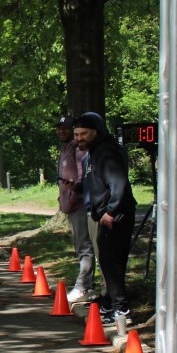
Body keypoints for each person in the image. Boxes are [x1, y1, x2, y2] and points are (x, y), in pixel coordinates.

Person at [74, 114, 136, 324]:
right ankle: (109, 303)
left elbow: (119, 183)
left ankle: (121, 309)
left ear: (95, 132)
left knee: (112, 262)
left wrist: (111, 211)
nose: (79, 138)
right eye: (76, 135)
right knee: (107, 261)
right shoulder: (94, 152)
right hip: (104, 214)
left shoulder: (106, 151)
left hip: (116, 215)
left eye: (83, 134)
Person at [56, 114, 96, 303]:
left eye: (65, 128)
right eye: (59, 128)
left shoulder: (77, 149)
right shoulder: (65, 147)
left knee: (84, 246)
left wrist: (75, 191)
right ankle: (88, 286)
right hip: (71, 205)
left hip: (80, 204)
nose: (61, 131)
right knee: (80, 245)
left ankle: (84, 287)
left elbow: (83, 175)